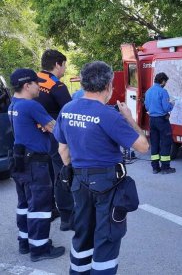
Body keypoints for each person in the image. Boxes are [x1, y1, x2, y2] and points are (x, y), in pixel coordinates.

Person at [53, 61, 149, 274]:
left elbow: (62, 150)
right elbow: (143, 146)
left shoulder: (67, 109)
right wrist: (130, 119)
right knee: (107, 237)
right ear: (108, 86)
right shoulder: (109, 115)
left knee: (83, 234)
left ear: (83, 84)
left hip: (79, 182)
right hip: (107, 185)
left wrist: (74, 170)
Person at [8, 68, 65, 262]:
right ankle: (40, 249)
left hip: (20, 160)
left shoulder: (13, 104)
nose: (39, 86)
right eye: (36, 83)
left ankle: (24, 242)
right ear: (27, 85)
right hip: (35, 163)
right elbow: (56, 129)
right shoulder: (31, 106)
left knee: (24, 204)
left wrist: (41, 126)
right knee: (40, 206)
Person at [35, 49, 74, 231]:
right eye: (64, 65)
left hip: (35, 137)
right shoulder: (56, 85)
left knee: (45, 175)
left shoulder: (32, 81)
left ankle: (50, 209)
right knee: (61, 175)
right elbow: (69, 113)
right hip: (55, 135)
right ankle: (67, 217)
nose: (64, 69)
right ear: (57, 64)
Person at [144, 72, 176, 174]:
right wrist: (172, 104)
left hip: (152, 120)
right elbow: (166, 108)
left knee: (154, 143)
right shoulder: (163, 92)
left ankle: (155, 167)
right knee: (166, 143)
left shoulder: (148, 91)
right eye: (165, 82)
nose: (165, 83)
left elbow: (147, 107)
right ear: (162, 81)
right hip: (162, 120)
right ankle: (165, 168)